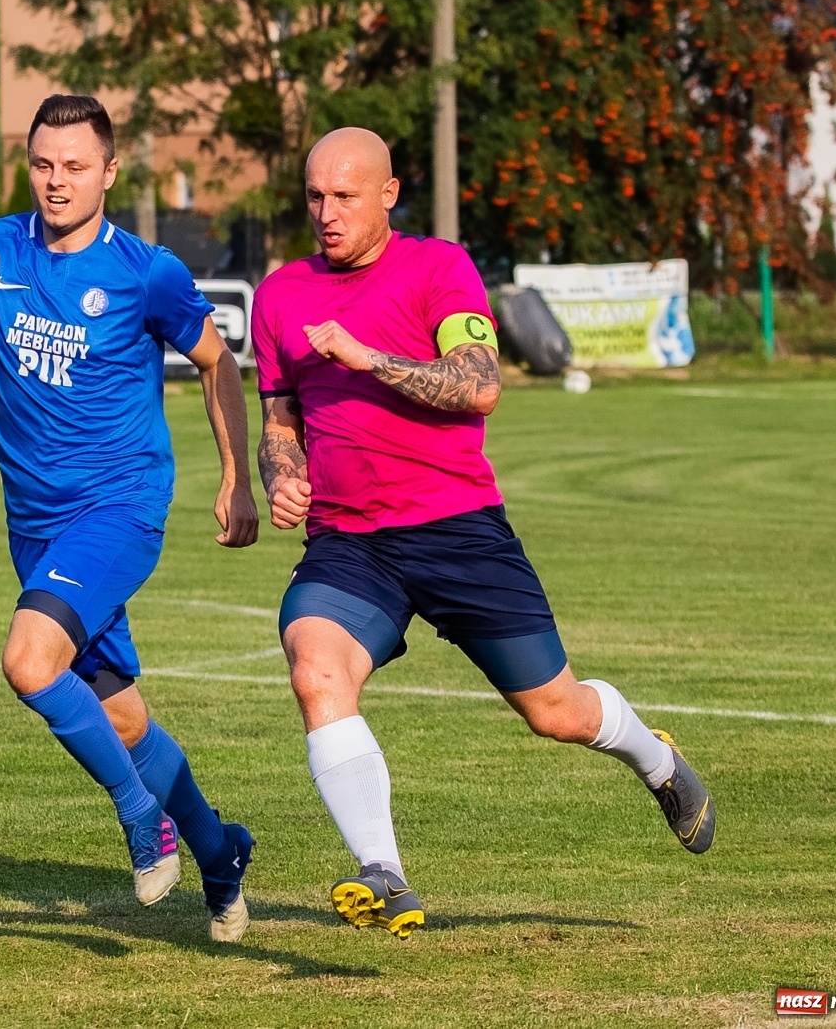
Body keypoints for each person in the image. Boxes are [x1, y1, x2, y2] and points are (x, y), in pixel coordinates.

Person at [252, 127, 716, 940]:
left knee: (557, 711)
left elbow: (480, 386)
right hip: (349, 542)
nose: (326, 213)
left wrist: (367, 358)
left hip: (458, 529)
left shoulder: (439, 268)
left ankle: (657, 759)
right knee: (315, 668)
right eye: (315, 197)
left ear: (388, 195)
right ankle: (382, 871)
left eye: (345, 197)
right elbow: (280, 414)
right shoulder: (283, 292)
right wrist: (280, 474)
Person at [0, 95, 261, 941]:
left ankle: (143, 819)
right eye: (42, 165)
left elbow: (217, 362)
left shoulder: (146, 271)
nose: (56, 181)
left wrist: (237, 477)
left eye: (74, 166)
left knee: (29, 662)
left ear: (109, 171)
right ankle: (220, 851)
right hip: (34, 525)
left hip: (121, 508)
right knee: (122, 717)